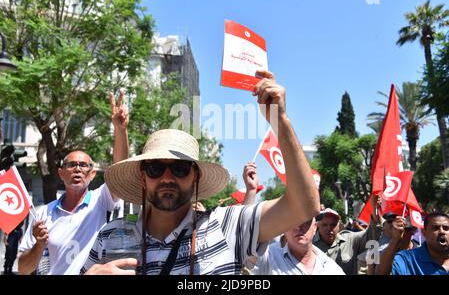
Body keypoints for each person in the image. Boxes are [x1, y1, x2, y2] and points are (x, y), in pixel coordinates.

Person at [81, 70, 321, 275]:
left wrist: (280, 121)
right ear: (143, 177)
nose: (167, 177)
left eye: (179, 168)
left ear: (195, 175)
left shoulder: (229, 226)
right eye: (155, 168)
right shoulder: (110, 235)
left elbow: (304, 206)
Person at [17, 91, 129, 275]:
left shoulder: (101, 201)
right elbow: (22, 269)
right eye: (71, 165)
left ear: (93, 174)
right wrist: (39, 245)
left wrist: (120, 129)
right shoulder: (43, 214)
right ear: (61, 173)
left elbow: (119, 170)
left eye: (84, 165)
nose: (77, 169)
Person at [251, 216, 345, 275]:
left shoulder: (330, 266)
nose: (298, 227)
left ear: (315, 228)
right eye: (292, 222)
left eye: (305, 222)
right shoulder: (267, 257)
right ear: (284, 229)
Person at [312, 198, 382, 275]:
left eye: (333, 225)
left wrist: (374, 209)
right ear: (317, 225)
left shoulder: (350, 239)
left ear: (339, 225)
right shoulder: (309, 245)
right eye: (325, 225)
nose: (329, 228)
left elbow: (372, 233)